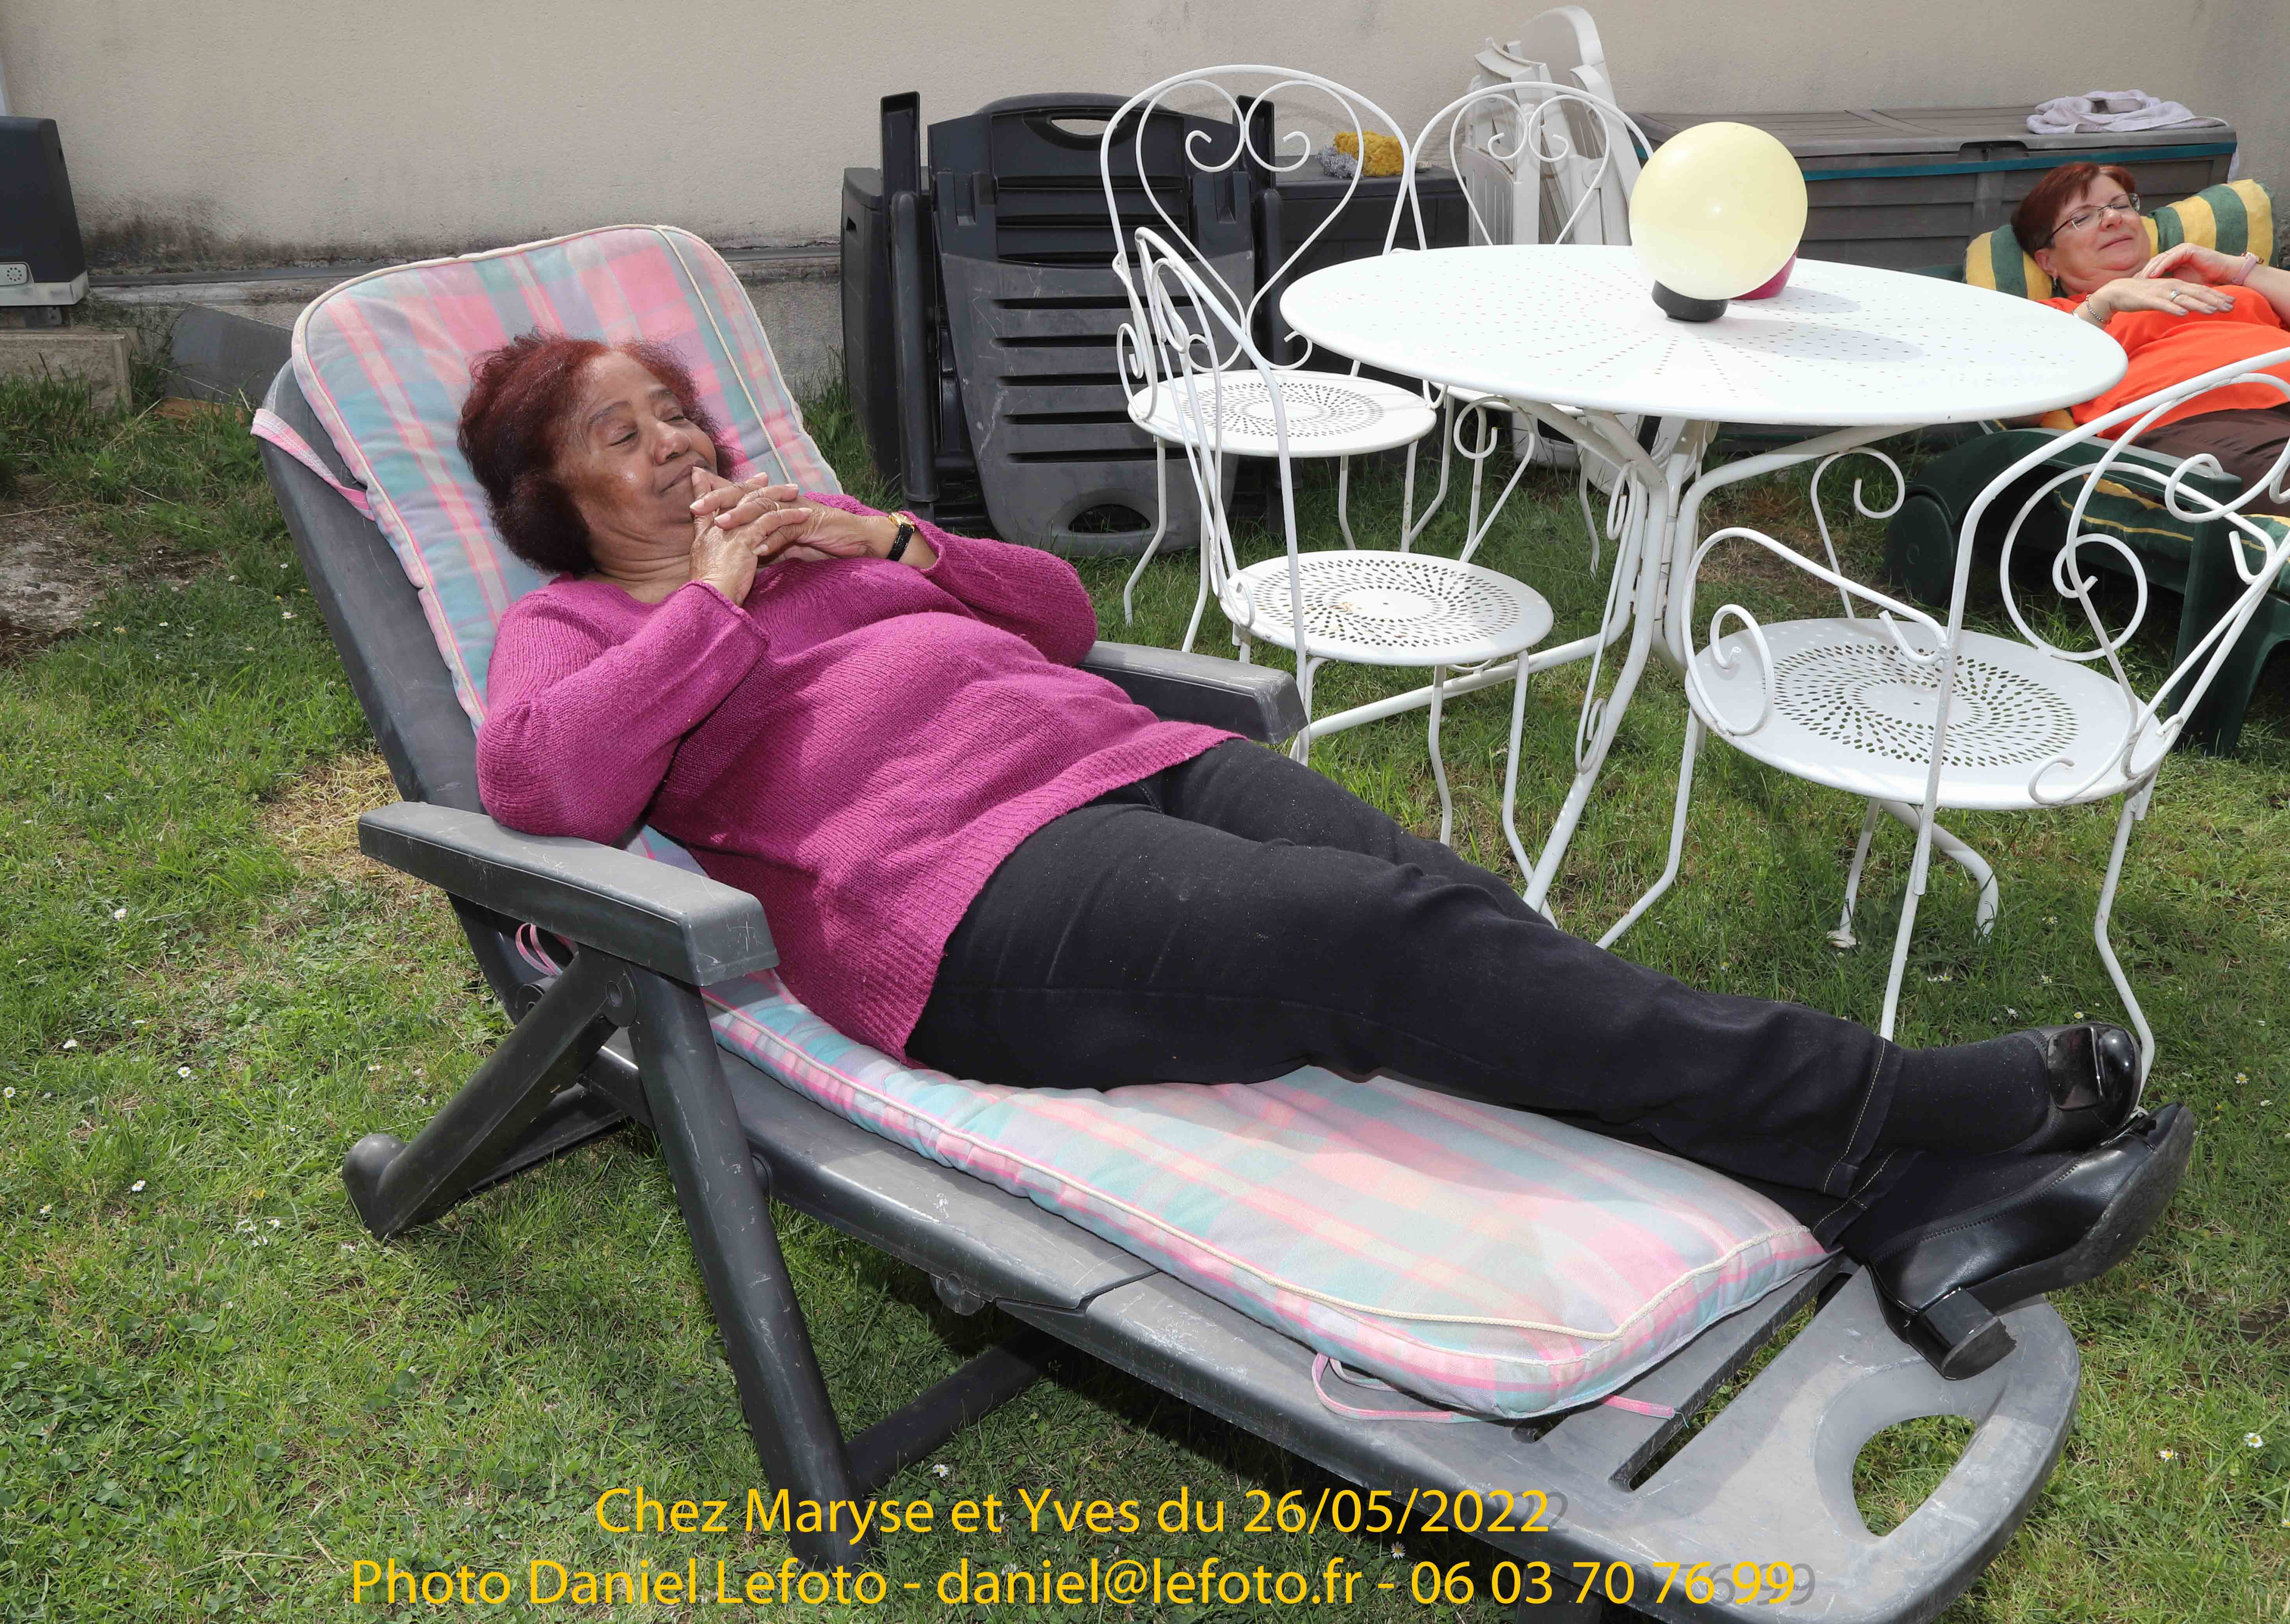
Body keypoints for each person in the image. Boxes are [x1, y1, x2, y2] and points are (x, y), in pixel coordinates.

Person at [459, 330, 2190, 1380]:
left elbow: (1057, 618)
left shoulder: (826, 546)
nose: (678, 442)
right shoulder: (577, 629)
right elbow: (545, 790)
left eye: (674, 410)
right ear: (553, 498)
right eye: (622, 432)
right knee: (1382, 944)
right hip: (963, 897)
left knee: (1454, 920)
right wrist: (708, 609)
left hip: (1141, 763)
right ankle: (1895, 1109)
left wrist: (892, 539)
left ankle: (1878, 1205)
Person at [2019, 160, 2290, 513]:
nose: (2113, 218)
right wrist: (2104, 302)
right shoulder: (2057, 315)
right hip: (2203, 416)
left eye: (2120, 205)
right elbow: (2019, 402)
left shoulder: (2219, 279)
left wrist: (2234, 269)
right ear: (2048, 262)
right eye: (2081, 218)